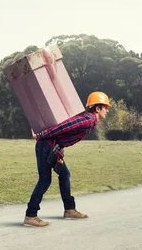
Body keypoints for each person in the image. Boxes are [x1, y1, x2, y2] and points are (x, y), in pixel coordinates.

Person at [23, 91, 111, 227]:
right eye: (106, 107)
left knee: (65, 174)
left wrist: (59, 149)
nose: (108, 111)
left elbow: (66, 134)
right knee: (45, 180)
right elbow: (64, 126)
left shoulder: (90, 121)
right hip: (46, 145)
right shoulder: (88, 120)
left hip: (53, 148)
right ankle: (31, 215)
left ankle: (69, 209)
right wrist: (41, 135)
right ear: (97, 108)